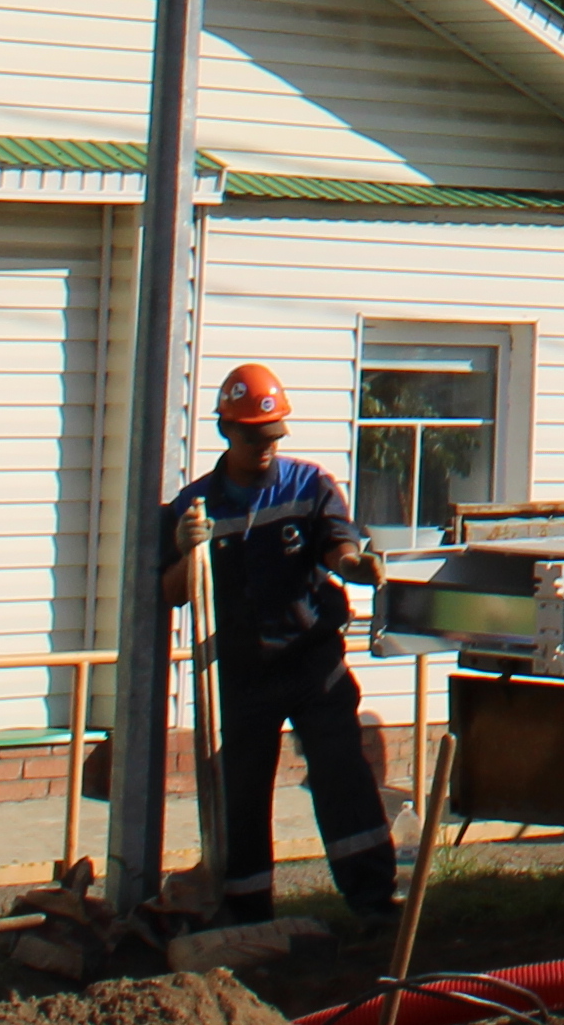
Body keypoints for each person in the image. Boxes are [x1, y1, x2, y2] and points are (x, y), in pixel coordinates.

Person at [158, 365, 393, 930]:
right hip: (242, 673)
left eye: (273, 436)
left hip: (312, 661)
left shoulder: (308, 485)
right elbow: (169, 594)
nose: (265, 447)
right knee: (242, 790)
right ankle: (246, 911)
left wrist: (355, 565)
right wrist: (186, 550)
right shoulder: (195, 508)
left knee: (342, 773)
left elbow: (337, 544)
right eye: (252, 436)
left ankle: (371, 900)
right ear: (226, 432)